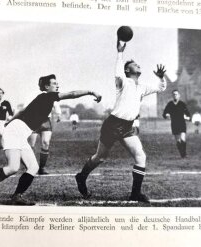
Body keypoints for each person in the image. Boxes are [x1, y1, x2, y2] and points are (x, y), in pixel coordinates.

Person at [0, 74, 101, 205]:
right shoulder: (48, 96)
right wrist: (91, 92)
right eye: (54, 83)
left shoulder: (43, 98)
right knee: (13, 168)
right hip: (15, 132)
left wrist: (9, 122)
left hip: (19, 133)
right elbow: (73, 93)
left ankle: (17, 196)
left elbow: (22, 111)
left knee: (33, 167)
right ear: (47, 87)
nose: (57, 85)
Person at [75, 40, 167, 203]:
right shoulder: (123, 82)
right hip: (112, 125)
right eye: (135, 64)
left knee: (141, 156)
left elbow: (161, 88)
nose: (138, 65)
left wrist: (161, 77)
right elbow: (118, 73)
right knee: (99, 158)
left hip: (127, 127)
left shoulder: (143, 86)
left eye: (138, 64)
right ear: (127, 70)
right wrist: (119, 53)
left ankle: (135, 194)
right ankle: (81, 177)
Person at [28, 102, 61, 175]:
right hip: (33, 121)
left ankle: (42, 168)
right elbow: (26, 106)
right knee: (31, 145)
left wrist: (58, 114)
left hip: (46, 121)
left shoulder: (50, 94)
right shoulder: (33, 94)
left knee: (46, 143)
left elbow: (55, 104)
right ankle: (30, 167)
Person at [162, 90, 191, 158]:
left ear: (179, 95)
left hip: (182, 123)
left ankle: (184, 154)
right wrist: (166, 115)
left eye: (176, 94)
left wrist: (188, 117)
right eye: (174, 94)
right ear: (172, 96)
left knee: (183, 139)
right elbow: (164, 113)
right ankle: (182, 154)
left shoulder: (182, 104)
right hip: (174, 123)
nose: (175, 95)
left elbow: (187, 113)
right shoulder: (170, 104)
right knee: (178, 141)